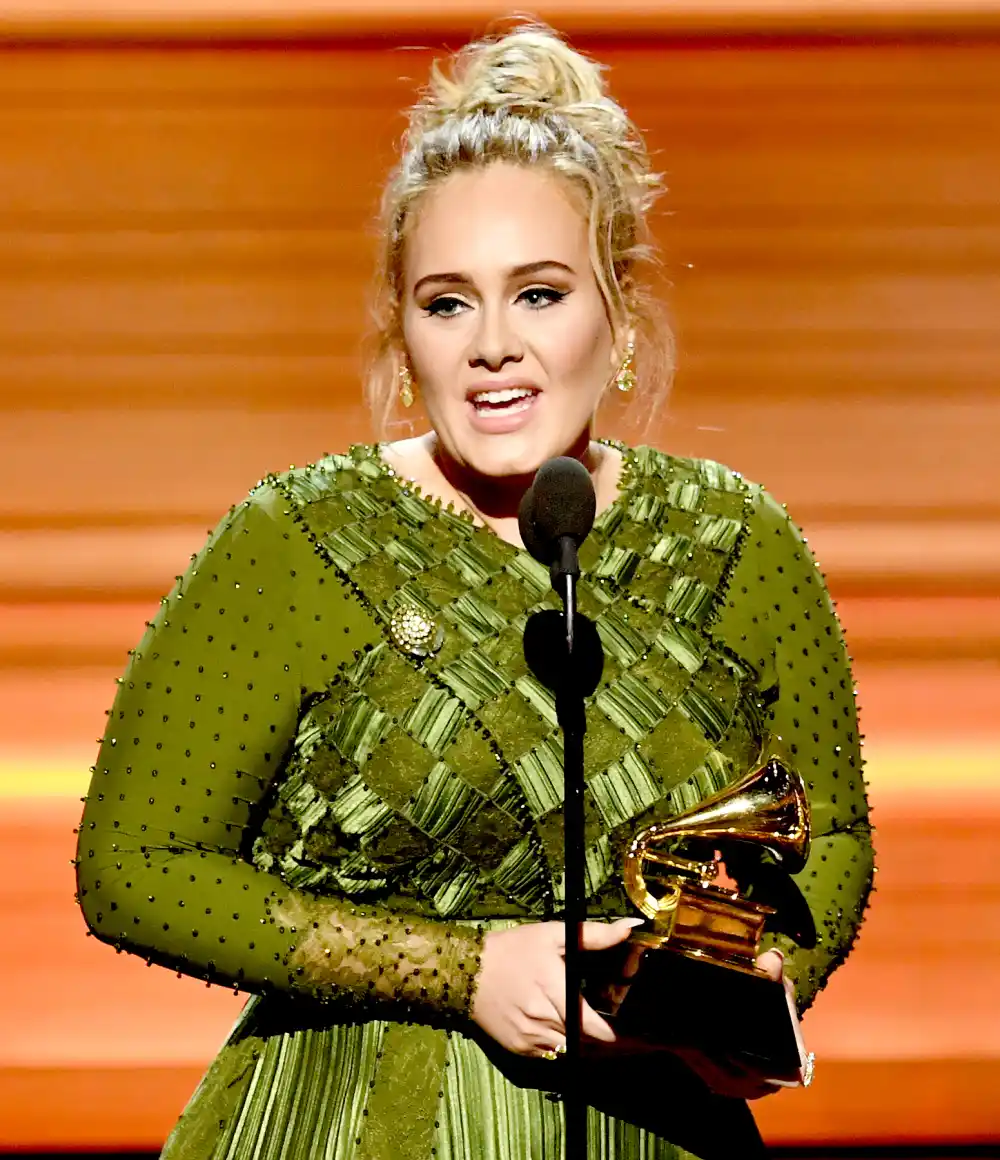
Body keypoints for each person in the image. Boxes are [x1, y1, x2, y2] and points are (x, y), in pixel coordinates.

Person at [74, 23, 874, 1160]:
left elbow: (829, 831)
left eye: (539, 294)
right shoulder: (292, 540)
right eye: (448, 303)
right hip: (343, 1125)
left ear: (622, 318)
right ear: (402, 337)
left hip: (656, 1123)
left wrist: (760, 992)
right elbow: (134, 870)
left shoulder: (739, 541)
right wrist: (462, 969)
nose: (492, 344)